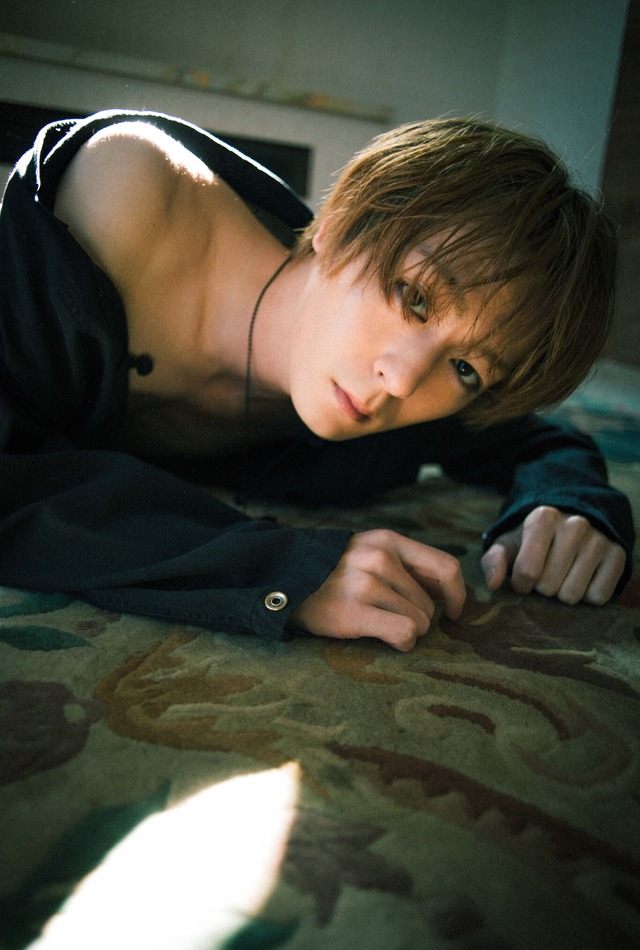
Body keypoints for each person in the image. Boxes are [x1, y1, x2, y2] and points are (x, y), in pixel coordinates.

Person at [0, 109, 634, 652]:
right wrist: (284, 569)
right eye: (414, 297)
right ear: (341, 225)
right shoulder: (126, 195)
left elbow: (537, 442)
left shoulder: (398, 406)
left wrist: (568, 505)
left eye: (467, 368)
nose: (403, 380)